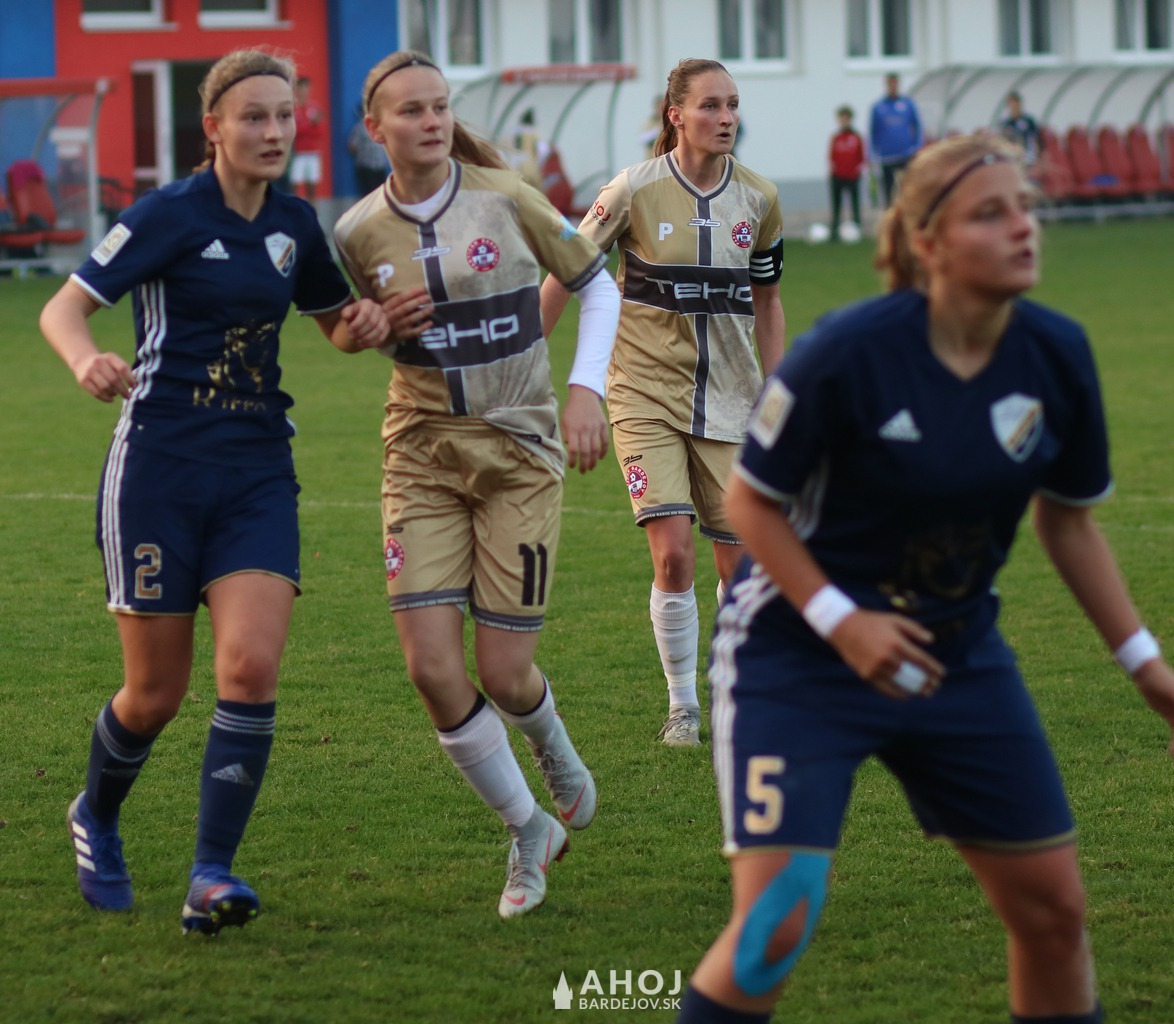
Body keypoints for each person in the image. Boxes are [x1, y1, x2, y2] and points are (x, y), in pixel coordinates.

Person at [674, 132, 1174, 1024]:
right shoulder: (848, 351)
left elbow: (1067, 522)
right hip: (800, 653)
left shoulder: (1057, 354)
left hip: (954, 654)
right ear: (927, 242)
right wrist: (844, 620)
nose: (1023, 228)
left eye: (1026, 208)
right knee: (775, 925)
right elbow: (750, 504)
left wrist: (1148, 668)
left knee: (1053, 916)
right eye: (992, 213)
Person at [40, 50, 390, 934]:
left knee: (250, 667)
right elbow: (63, 307)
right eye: (254, 117)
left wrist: (365, 323)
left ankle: (210, 874)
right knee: (155, 695)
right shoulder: (168, 214)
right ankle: (96, 813)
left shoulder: (296, 222)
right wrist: (86, 360)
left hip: (257, 471)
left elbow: (334, 327)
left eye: (285, 116)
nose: (274, 132)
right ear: (214, 128)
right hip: (158, 473)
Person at [332, 51, 621, 919]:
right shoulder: (355, 232)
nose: (430, 121)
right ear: (374, 129)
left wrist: (585, 391)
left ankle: (555, 750)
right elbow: (349, 331)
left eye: (440, 106)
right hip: (420, 453)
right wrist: (367, 328)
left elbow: (596, 285)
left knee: (504, 672)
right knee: (430, 669)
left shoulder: (505, 197)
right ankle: (527, 829)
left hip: (518, 455)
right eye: (411, 110)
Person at [541, 58, 786, 749]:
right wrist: (524, 365)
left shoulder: (760, 199)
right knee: (674, 552)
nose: (726, 117)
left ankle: (734, 692)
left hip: (733, 401)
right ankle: (683, 708)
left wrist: (779, 398)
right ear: (676, 115)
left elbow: (768, 303)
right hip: (643, 394)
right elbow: (565, 273)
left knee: (740, 570)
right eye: (710, 105)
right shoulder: (633, 189)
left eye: (732, 104)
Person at [869, 72, 922, 207]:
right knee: (888, 193)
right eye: (890, 83)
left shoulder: (908, 104)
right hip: (887, 157)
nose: (892, 86)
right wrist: (872, 155)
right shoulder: (878, 107)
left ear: (898, 84)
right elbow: (873, 132)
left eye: (895, 83)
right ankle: (890, 216)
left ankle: (908, 215)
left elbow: (918, 126)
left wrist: (916, 147)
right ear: (886, 85)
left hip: (905, 155)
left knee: (907, 189)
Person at [828, 104, 867, 241]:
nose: (844, 121)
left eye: (846, 118)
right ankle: (835, 231)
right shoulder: (836, 137)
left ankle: (857, 229)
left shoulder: (856, 137)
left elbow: (861, 156)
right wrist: (833, 170)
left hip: (852, 176)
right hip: (837, 175)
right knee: (836, 205)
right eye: (841, 119)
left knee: (855, 204)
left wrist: (858, 170)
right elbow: (831, 156)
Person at [291, 75, 324, 205]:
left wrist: (309, 126)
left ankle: (312, 211)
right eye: (302, 88)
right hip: (298, 153)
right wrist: (310, 124)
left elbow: (319, 132)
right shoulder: (293, 109)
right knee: (294, 184)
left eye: (307, 88)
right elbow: (295, 131)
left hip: (313, 153)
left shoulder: (314, 108)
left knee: (312, 186)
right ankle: (293, 210)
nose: (305, 91)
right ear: (297, 89)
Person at [347, 101, 388, 195]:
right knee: (369, 194)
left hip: (380, 166)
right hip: (366, 167)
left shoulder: (381, 126)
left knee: (381, 194)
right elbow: (352, 146)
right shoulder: (359, 127)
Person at [1001, 90, 1042, 170]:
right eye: (1011, 104)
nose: (1014, 107)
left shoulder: (1029, 121)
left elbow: (1036, 139)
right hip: (1013, 159)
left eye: (1015, 103)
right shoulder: (1006, 124)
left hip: (1029, 158)